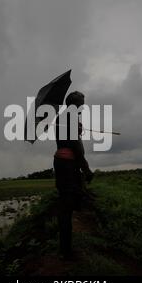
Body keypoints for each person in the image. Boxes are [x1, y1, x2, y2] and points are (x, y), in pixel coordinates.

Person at [53, 91, 94, 259]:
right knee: (66, 206)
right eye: (80, 105)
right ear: (72, 104)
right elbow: (75, 146)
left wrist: (77, 129)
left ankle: (66, 247)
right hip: (67, 166)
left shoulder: (65, 118)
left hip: (66, 165)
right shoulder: (67, 117)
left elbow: (71, 140)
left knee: (68, 204)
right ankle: (65, 251)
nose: (81, 108)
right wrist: (86, 168)